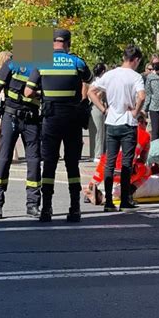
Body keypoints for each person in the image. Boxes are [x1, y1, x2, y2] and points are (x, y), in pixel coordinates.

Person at [24, 29, 92, 222]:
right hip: (71, 119)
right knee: (72, 164)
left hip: (50, 119)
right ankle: (75, 208)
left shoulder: (41, 63)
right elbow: (89, 79)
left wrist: (43, 94)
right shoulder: (77, 62)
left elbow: (28, 92)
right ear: (68, 43)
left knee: (49, 164)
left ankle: (46, 209)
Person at [89, 44, 145, 212]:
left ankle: (108, 202)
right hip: (128, 122)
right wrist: (135, 111)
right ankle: (125, 199)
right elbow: (142, 96)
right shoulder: (136, 77)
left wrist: (104, 109)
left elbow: (91, 91)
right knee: (127, 162)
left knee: (110, 162)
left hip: (112, 121)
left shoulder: (110, 75)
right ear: (135, 60)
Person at [0, 54, 42, 219]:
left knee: (34, 161)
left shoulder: (41, 66)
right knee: (4, 160)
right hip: (10, 116)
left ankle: (33, 204)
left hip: (32, 119)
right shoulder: (11, 64)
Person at [88, 62, 107, 163]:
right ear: (103, 71)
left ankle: (93, 153)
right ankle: (98, 155)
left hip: (91, 108)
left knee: (93, 131)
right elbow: (97, 95)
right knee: (99, 132)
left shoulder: (92, 81)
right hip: (98, 106)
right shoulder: (100, 82)